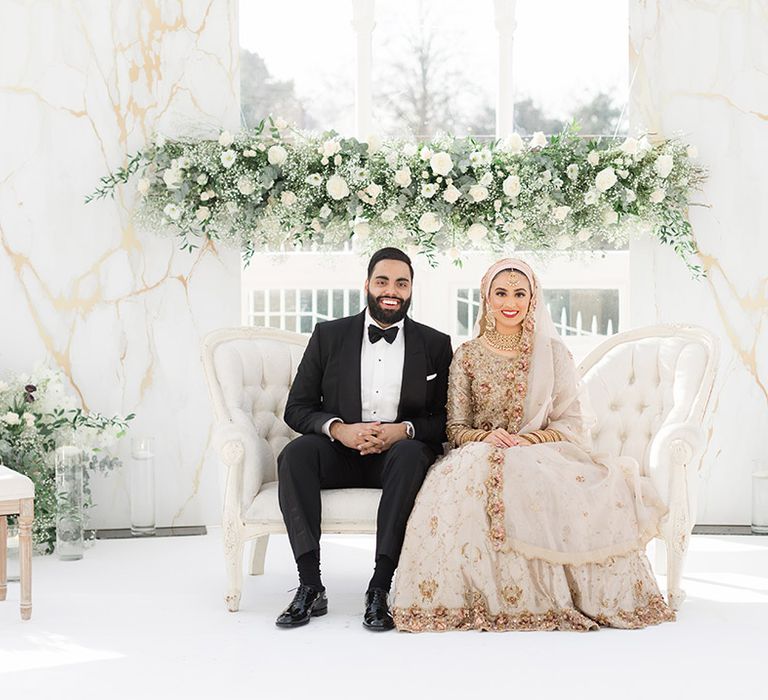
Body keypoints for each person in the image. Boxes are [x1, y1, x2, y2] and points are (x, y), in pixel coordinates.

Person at [392, 258, 676, 632]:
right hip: (480, 451)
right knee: (464, 477)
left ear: (533, 299)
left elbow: (570, 423)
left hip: (543, 452)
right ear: (486, 298)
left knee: (540, 476)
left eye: (520, 293)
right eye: (501, 293)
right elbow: (456, 427)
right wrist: (485, 437)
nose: (510, 302)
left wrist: (528, 440)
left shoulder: (553, 354)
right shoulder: (468, 355)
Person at [276, 247, 453, 630]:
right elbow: (297, 408)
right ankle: (310, 584)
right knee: (295, 455)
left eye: (401, 283)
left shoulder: (436, 344)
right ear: (367, 285)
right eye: (383, 281)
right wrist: (340, 429)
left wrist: (402, 430)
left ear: (411, 290)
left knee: (410, 455)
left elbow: (445, 420)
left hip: (395, 458)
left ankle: (379, 587)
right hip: (339, 451)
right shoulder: (328, 335)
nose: (392, 290)